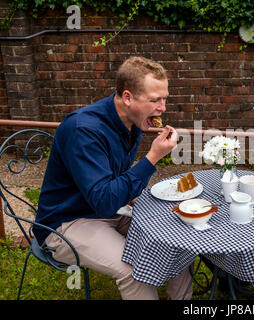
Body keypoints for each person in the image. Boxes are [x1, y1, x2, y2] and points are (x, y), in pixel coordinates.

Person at [34, 56, 193, 300]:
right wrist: (152, 158)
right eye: (155, 100)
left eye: (164, 99)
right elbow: (105, 200)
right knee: (132, 270)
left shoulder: (133, 122)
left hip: (108, 211)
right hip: (67, 222)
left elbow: (114, 180)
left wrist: (132, 196)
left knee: (173, 238)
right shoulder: (83, 131)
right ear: (127, 97)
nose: (163, 108)